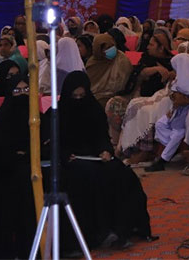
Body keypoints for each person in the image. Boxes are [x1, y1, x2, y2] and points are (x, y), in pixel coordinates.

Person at [52, 71, 153, 251]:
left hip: (95, 155)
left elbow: (101, 135)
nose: (78, 100)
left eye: (82, 96)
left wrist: (105, 150)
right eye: (74, 96)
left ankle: (125, 227)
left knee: (121, 172)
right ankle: (98, 233)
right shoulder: (58, 113)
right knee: (88, 176)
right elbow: (55, 141)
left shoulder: (93, 108)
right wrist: (66, 155)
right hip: (72, 160)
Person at [0, 73, 38, 257]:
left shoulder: (37, 117)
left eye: (26, 89)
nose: (22, 94)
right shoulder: (2, 119)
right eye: (17, 90)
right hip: (9, 172)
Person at [145, 52, 189, 171]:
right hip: (175, 112)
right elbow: (174, 96)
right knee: (160, 124)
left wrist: (184, 100)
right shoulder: (178, 80)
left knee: (177, 134)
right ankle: (172, 149)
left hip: (186, 115)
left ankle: (163, 160)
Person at [87, 32, 133, 106]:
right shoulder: (92, 63)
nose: (111, 49)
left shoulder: (122, 60)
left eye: (112, 46)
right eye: (107, 48)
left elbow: (122, 85)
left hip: (116, 98)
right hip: (93, 98)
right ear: (99, 50)